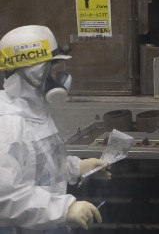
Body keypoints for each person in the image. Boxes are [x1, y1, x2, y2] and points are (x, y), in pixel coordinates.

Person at [0, 25, 110, 233]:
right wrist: (64, 208)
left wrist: (76, 168)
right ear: (36, 73)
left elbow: (37, 167)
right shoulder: (7, 123)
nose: (60, 77)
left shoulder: (33, 110)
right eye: (53, 68)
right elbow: (4, 197)